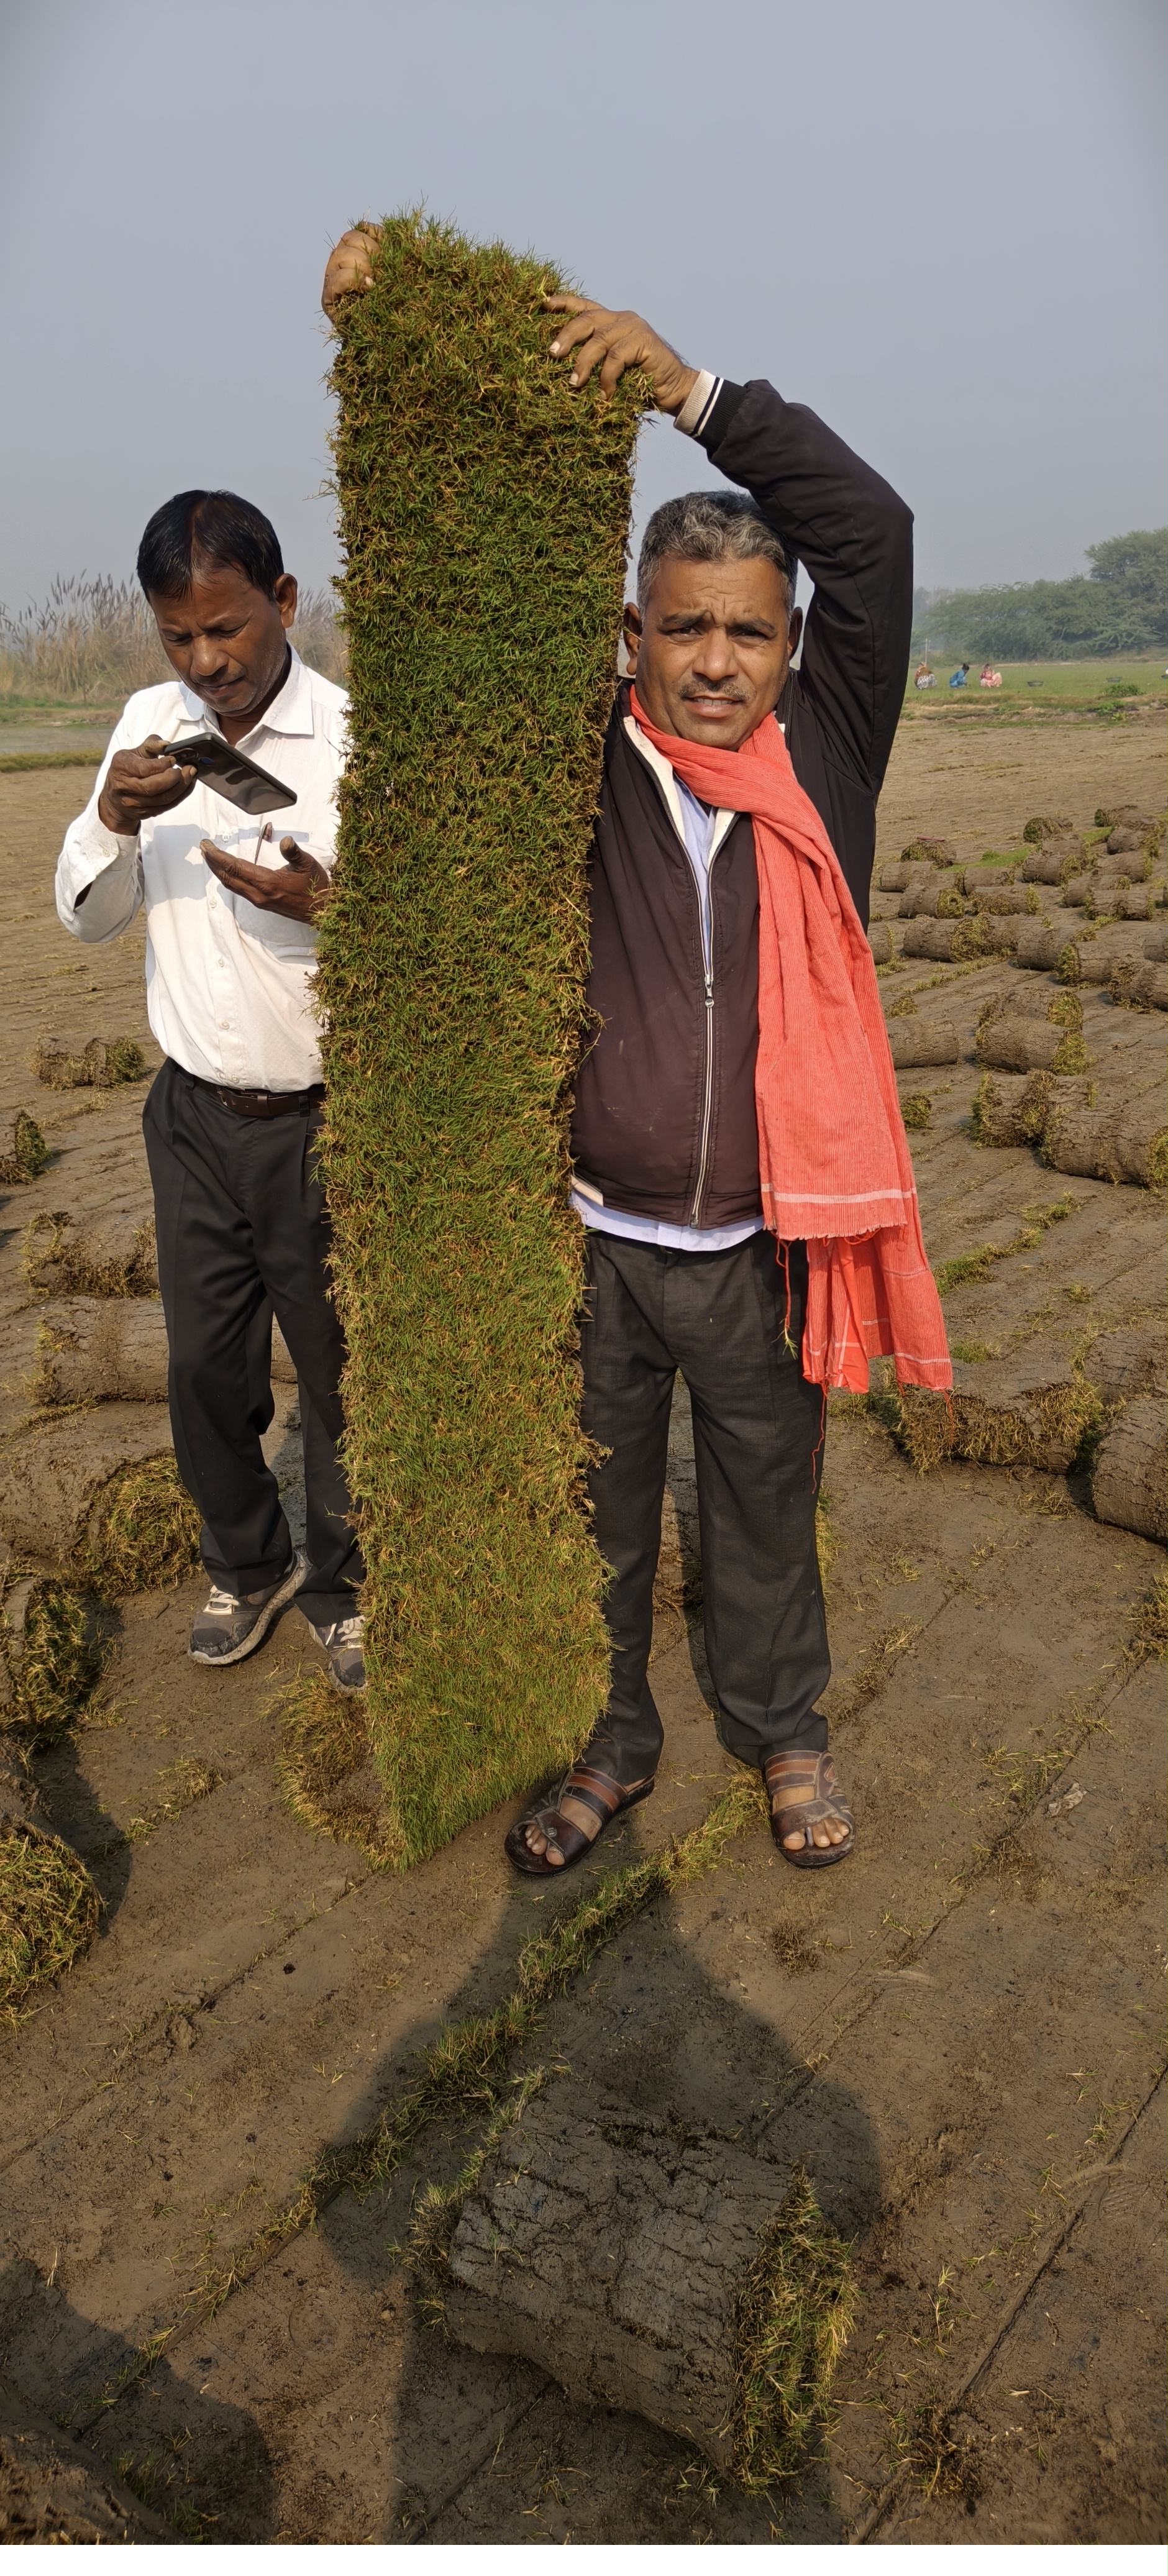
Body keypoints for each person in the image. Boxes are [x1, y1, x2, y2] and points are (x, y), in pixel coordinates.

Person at [322, 239, 948, 1873]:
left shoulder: (829, 756)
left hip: (763, 1243)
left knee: (760, 1514)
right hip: (598, 1240)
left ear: (791, 644)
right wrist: (393, 325)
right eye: (688, 631)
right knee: (592, 1525)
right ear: (635, 632)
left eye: (749, 630)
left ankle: (784, 1733)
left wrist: (693, 393)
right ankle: (606, 1749)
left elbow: (870, 531)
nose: (720, 661)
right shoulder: (581, 758)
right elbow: (446, 605)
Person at [55, 491, 366, 1690]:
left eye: (228, 630)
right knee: (203, 1369)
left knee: (339, 1367)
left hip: (324, 1120)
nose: (208, 663)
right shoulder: (149, 726)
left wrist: (333, 908)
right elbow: (86, 918)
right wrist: (111, 818)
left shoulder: (354, 738)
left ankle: (344, 1585)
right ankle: (248, 1564)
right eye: (180, 638)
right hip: (191, 1118)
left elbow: (429, 940)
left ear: (284, 605)